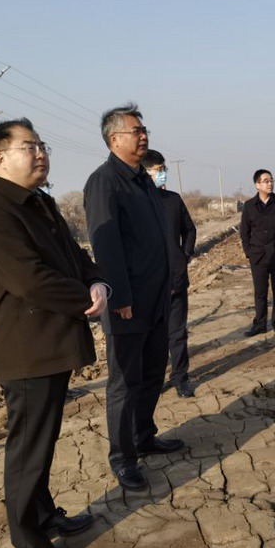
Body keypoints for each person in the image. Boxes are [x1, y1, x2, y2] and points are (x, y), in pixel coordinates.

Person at [0, 118, 108, 548]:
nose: (40, 153)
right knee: (28, 451)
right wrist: (84, 298)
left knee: (43, 442)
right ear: (1, 157)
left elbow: (74, 254)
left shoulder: (40, 203)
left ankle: (45, 517)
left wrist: (96, 280)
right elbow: (29, 279)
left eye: (42, 145)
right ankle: (29, 546)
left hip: (50, 342)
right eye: (28, 147)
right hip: (26, 350)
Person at [83, 103, 185, 493]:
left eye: (145, 131)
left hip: (158, 297)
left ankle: (144, 437)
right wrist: (120, 297)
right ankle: (123, 459)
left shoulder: (142, 180)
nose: (143, 136)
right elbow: (106, 243)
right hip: (127, 303)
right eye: (136, 131)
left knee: (152, 373)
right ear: (114, 139)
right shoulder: (105, 181)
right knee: (124, 383)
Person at [142, 149, 197, 398]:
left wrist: (184, 256)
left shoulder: (173, 200)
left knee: (177, 333)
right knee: (152, 336)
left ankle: (180, 378)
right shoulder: (135, 203)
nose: (163, 173)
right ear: (145, 173)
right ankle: (153, 380)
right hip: (148, 283)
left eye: (164, 169)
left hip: (175, 278)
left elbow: (190, 229)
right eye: (158, 170)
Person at [239, 169, 275, 337]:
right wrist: (249, 252)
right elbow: (244, 232)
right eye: (265, 181)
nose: (270, 183)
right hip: (258, 256)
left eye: (271, 180)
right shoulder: (249, 205)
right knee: (260, 293)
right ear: (257, 185)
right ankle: (260, 324)